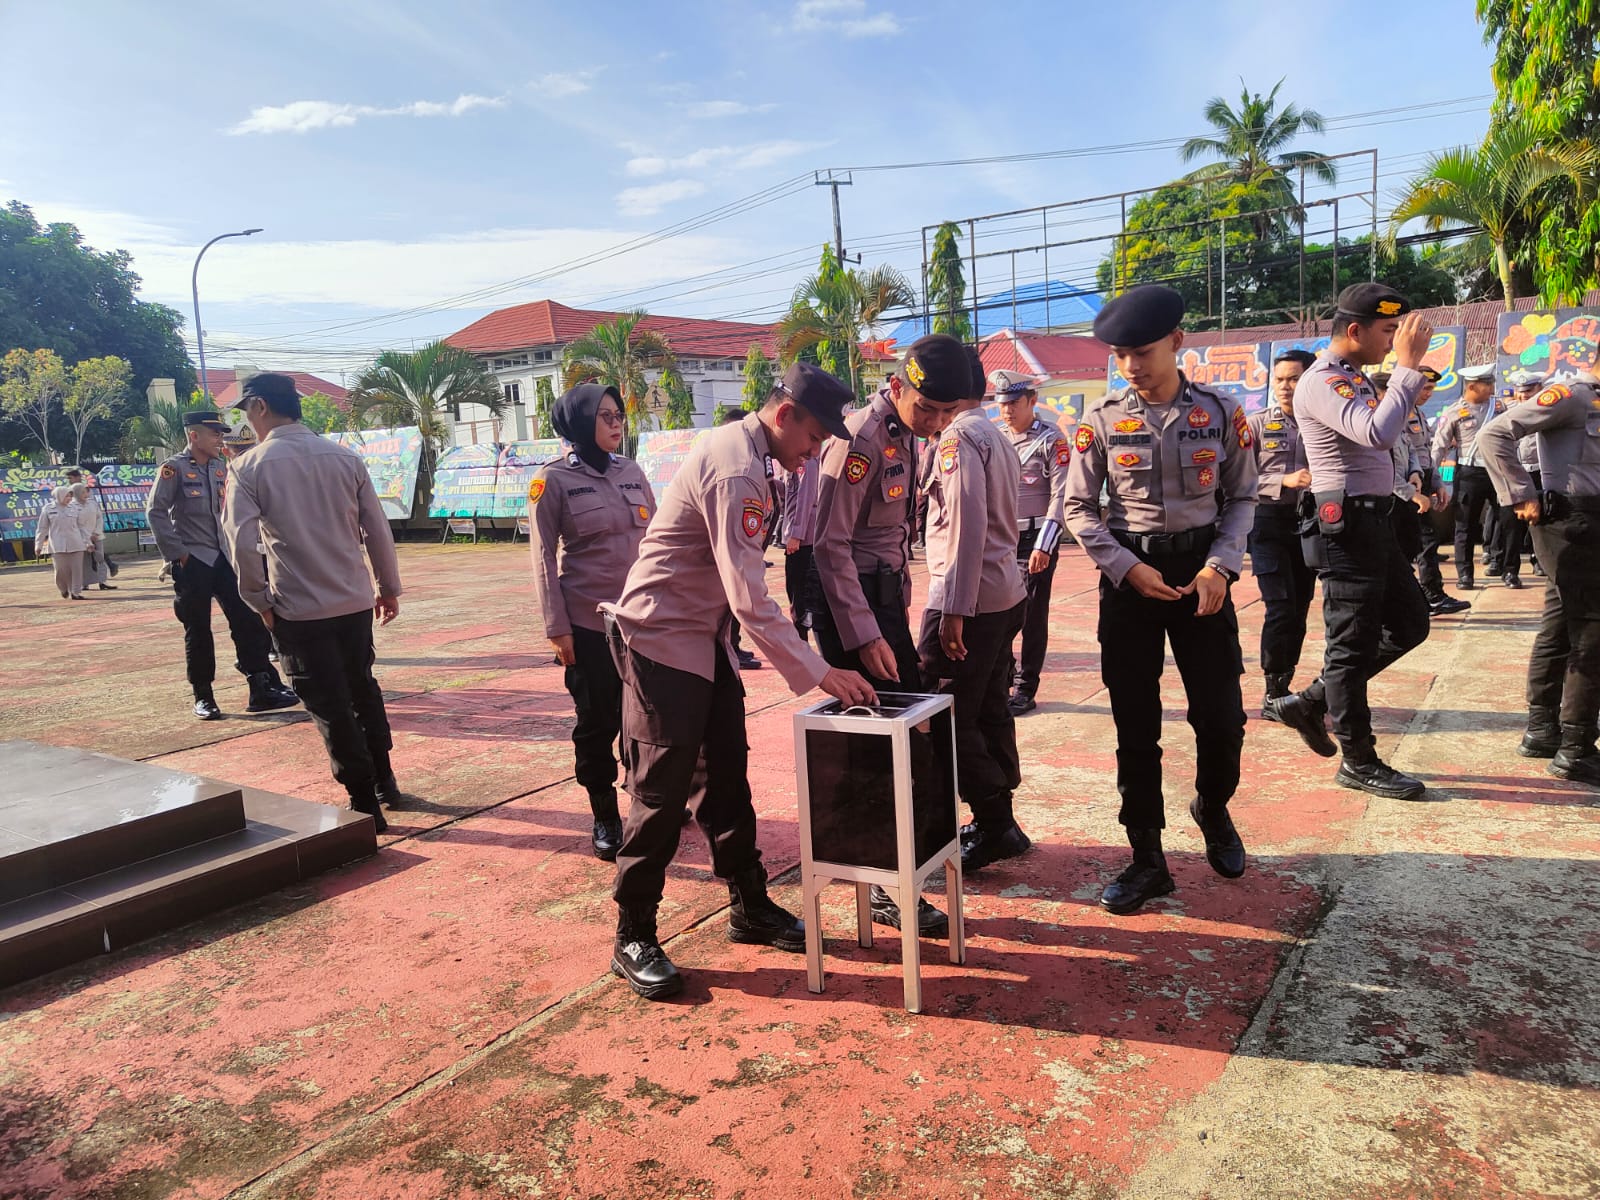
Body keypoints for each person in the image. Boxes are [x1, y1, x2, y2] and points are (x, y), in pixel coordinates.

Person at [601, 363, 876, 1000]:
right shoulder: (737, 469)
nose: (814, 453)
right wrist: (822, 671)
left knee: (727, 775)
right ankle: (633, 932)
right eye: (814, 438)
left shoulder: (755, 457)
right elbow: (750, 598)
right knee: (661, 791)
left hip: (705, 639)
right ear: (784, 415)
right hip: (662, 641)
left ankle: (749, 904)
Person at [1065, 284, 1258, 914]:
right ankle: (1147, 856)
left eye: (1142, 352)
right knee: (1135, 722)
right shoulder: (1101, 420)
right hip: (1130, 579)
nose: (1131, 366)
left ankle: (1214, 805)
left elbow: (1243, 497)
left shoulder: (1221, 413)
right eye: (1120, 355)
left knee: (1222, 715)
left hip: (1204, 575)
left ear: (1177, 342)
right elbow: (1077, 507)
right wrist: (1125, 567)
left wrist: (1220, 567)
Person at [809, 333, 966, 934]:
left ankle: (894, 871)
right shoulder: (862, 439)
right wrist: (866, 634)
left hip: (882, 604)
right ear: (897, 386)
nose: (936, 422)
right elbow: (830, 546)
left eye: (947, 413)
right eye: (928, 409)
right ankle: (882, 885)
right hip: (852, 611)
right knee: (880, 746)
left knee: (910, 739)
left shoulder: (905, 435)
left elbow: (895, 537)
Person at [220, 373, 403, 833]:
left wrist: (258, 599)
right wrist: (387, 586)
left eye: (247, 411)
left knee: (329, 702)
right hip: (353, 600)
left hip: (298, 606)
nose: (247, 421)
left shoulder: (248, 467)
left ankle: (364, 801)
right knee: (362, 689)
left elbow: (241, 543)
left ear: (261, 406)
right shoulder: (344, 457)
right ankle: (386, 782)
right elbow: (376, 528)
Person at [1269, 286, 1433, 800]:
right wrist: (1407, 368)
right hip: (1345, 529)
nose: (1394, 342)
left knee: (1410, 624)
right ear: (1356, 331)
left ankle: (1309, 702)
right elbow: (1377, 434)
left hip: (1375, 522)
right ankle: (1358, 760)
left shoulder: (1355, 377)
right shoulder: (1323, 380)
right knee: (1350, 645)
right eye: (1388, 332)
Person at [530, 383, 657, 862]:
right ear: (580, 422)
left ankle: (648, 799)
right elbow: (543, 558)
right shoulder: (553, 480)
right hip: (588, 625)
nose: (616, 423)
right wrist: (557, 628)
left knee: (649, 719)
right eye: (605, 416)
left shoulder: (632, 471)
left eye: (618, 414)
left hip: (642, 621)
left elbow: (658, 540)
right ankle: (605, 813)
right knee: (597, 723)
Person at [922, 348, 1033, 872]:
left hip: (969, 597)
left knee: (946, 715)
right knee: (989, 708)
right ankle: (1001, 817)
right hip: (1001, 591)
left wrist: (954, 609)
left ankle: (994, 821)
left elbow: (964, 526)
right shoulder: (996, 434)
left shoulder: (959, 437)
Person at [1478, 373, 1600, 781]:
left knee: (1560, 625)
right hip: (1572, 521)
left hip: (1588, 523)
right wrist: (1519, 493)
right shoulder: (1572, 395)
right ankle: (1577, 746)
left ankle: (1544, 729)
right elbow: (1494, 434)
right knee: (1592, 632)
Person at [146, 409, 299, 721]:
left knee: (248, 621)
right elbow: (155, 512)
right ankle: (203, 695)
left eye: (220, 434)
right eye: (214, 433)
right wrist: (178, 554)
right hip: (194, 561)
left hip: (225, 559)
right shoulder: (173, 469)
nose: (220, 439)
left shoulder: (222, 467)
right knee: (198, 630)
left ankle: (260, 687)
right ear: (194, 436)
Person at [989, 369, 1070, 717]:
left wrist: (1044, 545)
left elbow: (1060, 496)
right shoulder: (996, 438)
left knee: (1032, 615)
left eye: (1014, 403)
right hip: (1002, 539)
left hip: (1036, 538)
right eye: (1002, 404)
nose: (1007, 410)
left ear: (1032, 401)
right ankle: (1003, 679)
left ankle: (1025, 687)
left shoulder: (1052, 439)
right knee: (1000, 613)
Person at [1248, 349, 1318, 719]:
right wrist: (1282, 480)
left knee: (1300, 608)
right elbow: (1235, 479)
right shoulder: (1256, 424)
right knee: (1280, 607)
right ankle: (1272, 693)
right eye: (1279, 380)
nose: (1285, 387)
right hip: (1267, 522)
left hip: (1311, 524)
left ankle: (1285, 684)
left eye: (1294, 379)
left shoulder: (1323, 423)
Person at [1431, 363, 1507, 590]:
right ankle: (1465, 574)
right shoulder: (1454, 412)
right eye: (1487, 384)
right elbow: (1439, 446)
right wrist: (1431, 477)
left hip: (1497, 471)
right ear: (1472, 386)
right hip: (1469, 473)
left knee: (1504, 519)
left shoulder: (1499, 407)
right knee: (1464, 525)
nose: (1492, 387)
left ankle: (1500, 563)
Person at [1406, 368, 1471, 615]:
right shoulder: (1397, 415)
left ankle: (1429, 595)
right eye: (1424, 388)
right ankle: (1430, 596)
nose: (1428, 394)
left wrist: (1437, 483)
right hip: (1408, 486)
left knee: (1426, 541)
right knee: (1423, 542)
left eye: (1431, 389)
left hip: (1422, 479)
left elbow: (1426, 452)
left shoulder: (1419, 414)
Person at [774, 459, 820, 640]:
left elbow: (806, 497)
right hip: (794, 534)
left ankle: (802, 641)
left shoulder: (807, 461)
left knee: (801, 594)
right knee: (794, 591)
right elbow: (789, 493)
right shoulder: (792, 460)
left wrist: (797, 535)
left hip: (803, 539)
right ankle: (801, 639)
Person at [66, 467, 116, 590]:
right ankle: (85, 583)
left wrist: (96, 533)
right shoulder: (71, 507)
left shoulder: (92, 503)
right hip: (81, 538)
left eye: (86, 492)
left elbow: (99, 518)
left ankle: (102, 582)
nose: (86, 494)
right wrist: (87, 537)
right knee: (84, 561)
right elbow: (75, 524)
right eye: (83, 492)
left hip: (96, 536)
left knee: (100, 558)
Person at [34, 485, 87, 600]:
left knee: (77, 569)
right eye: (67, 496)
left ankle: (75, 592)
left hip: (76, 543)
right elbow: (42, 528)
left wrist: (88, 542)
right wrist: (38, 545)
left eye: (70, 496)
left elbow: (82, 526)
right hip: (57, 544)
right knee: (61, 570)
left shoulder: (75, 508)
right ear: (59, 496)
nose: (69, 498)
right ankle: (63, 588)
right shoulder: (48, 509)